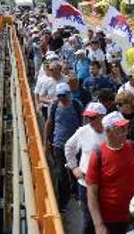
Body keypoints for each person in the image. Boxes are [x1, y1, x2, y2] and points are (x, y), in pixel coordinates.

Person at [86, 111, 134, 234]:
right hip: (112, 221)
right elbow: (92, 194)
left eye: (126, 128)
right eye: (120, 129)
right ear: (108, 132)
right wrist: (98, 224)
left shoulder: (132, 147)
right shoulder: (98, 155)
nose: (125, 132)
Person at [64, 102, 107, 234]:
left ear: (102, 117)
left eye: (93, 118)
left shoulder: (110, 131)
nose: (90, 121)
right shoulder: (83, 131)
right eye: (88, 118)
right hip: (86, 183)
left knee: (106, 220)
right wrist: (74, 167)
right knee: (89, 221)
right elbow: (69, 147)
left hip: (106, 183)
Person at [44, 82, 83, 212]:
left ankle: (77, 194)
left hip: (75, 146)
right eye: (59, 96)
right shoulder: (55, 106)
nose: (62, 98)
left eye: (64, 95)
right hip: (59, 145)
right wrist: (46, 143)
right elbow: (49, 123)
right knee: (61, 175)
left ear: (69, 94)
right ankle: (62, 203)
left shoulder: (77, 105)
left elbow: (83, 123)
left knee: (76, 171)